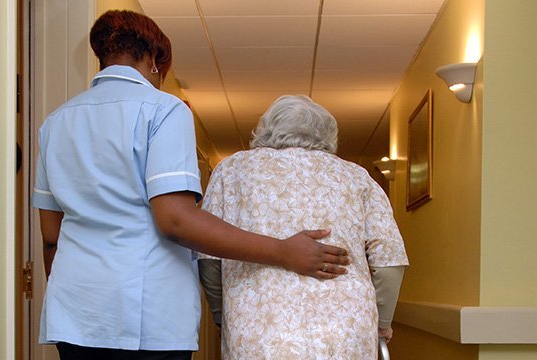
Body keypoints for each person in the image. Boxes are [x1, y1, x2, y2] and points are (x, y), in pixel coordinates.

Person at [32, 11, 349, 360]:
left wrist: (77, 302)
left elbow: (51, 236)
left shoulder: (55, 123)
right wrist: (282, 251)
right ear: (155, 59)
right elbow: (175, 220)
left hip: (75, 314)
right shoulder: (163, 110)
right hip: (145, 318)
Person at [198, 95, 409, 359]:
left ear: (265, 128)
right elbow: (390, 260)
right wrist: (382, 322)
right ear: (328, 135)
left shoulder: (231, 171)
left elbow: (208, 257)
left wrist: (222, 316)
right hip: (345, 331)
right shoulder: (357, 177)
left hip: (259, 329)